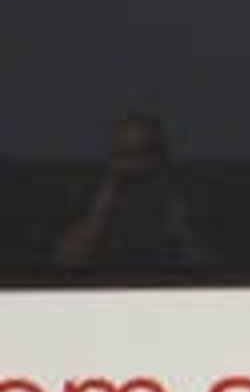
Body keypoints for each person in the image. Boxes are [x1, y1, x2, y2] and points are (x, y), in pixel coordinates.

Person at [52, 111, 204, 273]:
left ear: (162, 156)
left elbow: (205, 267)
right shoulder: (88, 193)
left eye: (144, 153)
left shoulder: (186, 194)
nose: (134, 164)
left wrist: (180, 223)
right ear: (111, 156)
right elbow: (65, 261)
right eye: (125, 154)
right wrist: (103, 206)